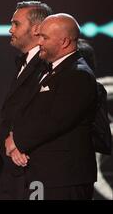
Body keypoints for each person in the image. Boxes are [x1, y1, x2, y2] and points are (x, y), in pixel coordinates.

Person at [5, 13, 98, 200]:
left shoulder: (78, 75)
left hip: (64, 178)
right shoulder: (52, 71)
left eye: (44, 37)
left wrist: (17, 142)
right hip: (45, 174)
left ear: (64, 42)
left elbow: (56, 120)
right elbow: (29, 111)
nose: (39, 42)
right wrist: (13, 137)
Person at [0, 1, 52, 199]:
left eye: (16, 24)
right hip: (11, 169)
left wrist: (19, 143)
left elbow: (45, 115)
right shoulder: (24, 61)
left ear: (37, 29)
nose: (10, 29)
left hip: (30, 170)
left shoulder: (48, 65)